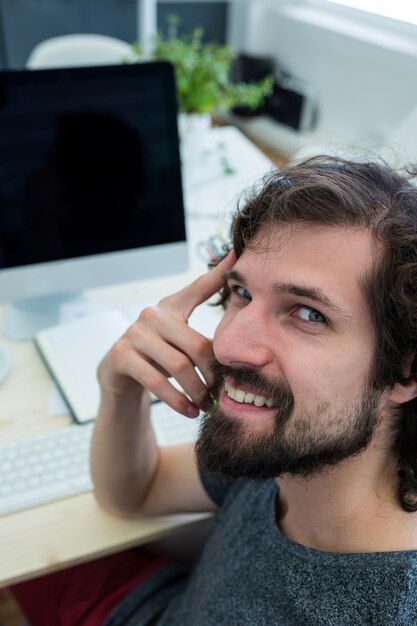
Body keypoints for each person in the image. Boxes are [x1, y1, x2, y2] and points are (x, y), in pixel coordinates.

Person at [11, 155, 417, 624]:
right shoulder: (288, 450)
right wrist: (120, 390)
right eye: (242, 294)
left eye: (308, 314)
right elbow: (137, 492)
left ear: (405, 374)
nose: (227, 344)